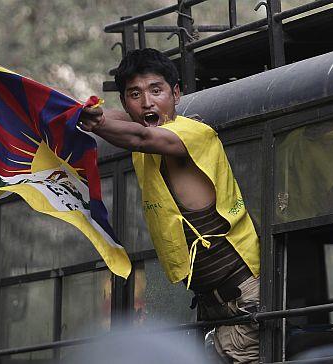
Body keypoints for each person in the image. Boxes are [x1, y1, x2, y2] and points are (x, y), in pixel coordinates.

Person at [79, 48, 261, 364]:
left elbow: (138, 135)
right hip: (212, 308)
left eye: (156, 90)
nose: (147, 102)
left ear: (176, 93)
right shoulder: (143, 127)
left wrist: (95, 123)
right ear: (125, 102)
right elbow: (121, 119)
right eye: (135, 94)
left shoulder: (190, 134)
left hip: (244, 299)